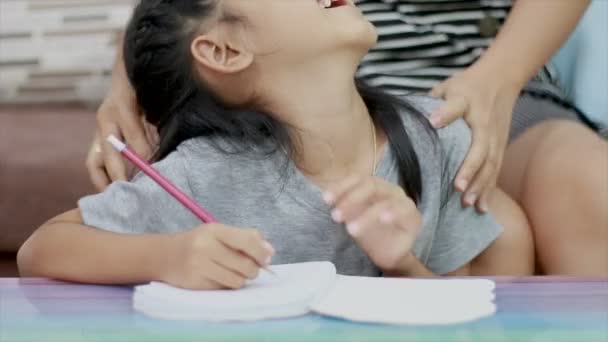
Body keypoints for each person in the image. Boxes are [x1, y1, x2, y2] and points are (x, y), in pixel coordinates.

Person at [17, 0, 533, 289]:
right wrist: (167, 256)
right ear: (222, 49)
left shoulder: (436, 135)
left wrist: (404, 266)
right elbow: (41, 249)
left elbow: (466, 315)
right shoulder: (204, 172)